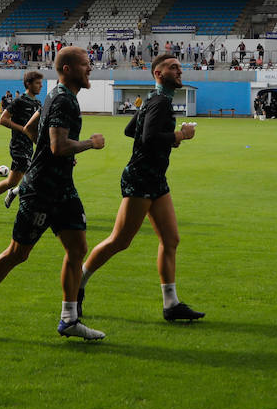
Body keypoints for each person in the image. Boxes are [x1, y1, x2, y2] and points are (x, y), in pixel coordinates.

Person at [0, 46, 107, 342]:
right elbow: (57, 146)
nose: (90, 67)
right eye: (84, 63)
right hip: (41, 190)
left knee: (78, 248)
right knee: (18, 253)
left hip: (62, 188)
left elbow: (32, 129)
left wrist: (55, 151)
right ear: (68, 68)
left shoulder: (54, 95)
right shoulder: (64, 100)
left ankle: (69, 319)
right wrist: (87, 144)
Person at [79, 55, 204, 323]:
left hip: (155, 179)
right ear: (158, 74)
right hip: (141, 179)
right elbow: (146, 137)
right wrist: (180, 136)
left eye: (179, 67)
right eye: (173, 67)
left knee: (171, 240)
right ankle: (77, 283)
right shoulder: (159, 101)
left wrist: (168, 140)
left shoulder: (153, 99)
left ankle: (171, 304)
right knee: (119, 241)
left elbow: (130, 130)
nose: (179, 70)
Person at [0, 70, 44, 219]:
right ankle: (23, 204)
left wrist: (42, 144)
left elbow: (37, 129)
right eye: (38, 83)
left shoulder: (38, 103)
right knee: (35, 178)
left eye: (41, 83)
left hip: (29, 146)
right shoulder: (19, 101)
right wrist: (23, 130)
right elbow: (3, 120)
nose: (41, 86)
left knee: (12, 181)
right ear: (28, 84)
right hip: (18, 146)